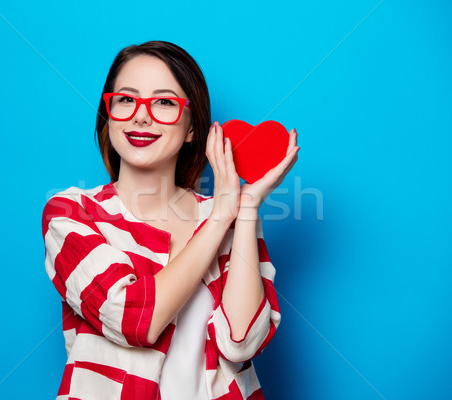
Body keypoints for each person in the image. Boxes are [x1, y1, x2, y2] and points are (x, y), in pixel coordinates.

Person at [42, 40, 299, 400]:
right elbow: (134, 319)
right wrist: (222, 215)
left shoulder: (228, 215)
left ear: (193, 127)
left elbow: (241, 343)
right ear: (108, 114)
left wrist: (245, 208)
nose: (141, 115)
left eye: (164, 102)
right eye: (126, 99)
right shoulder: (73, 212)